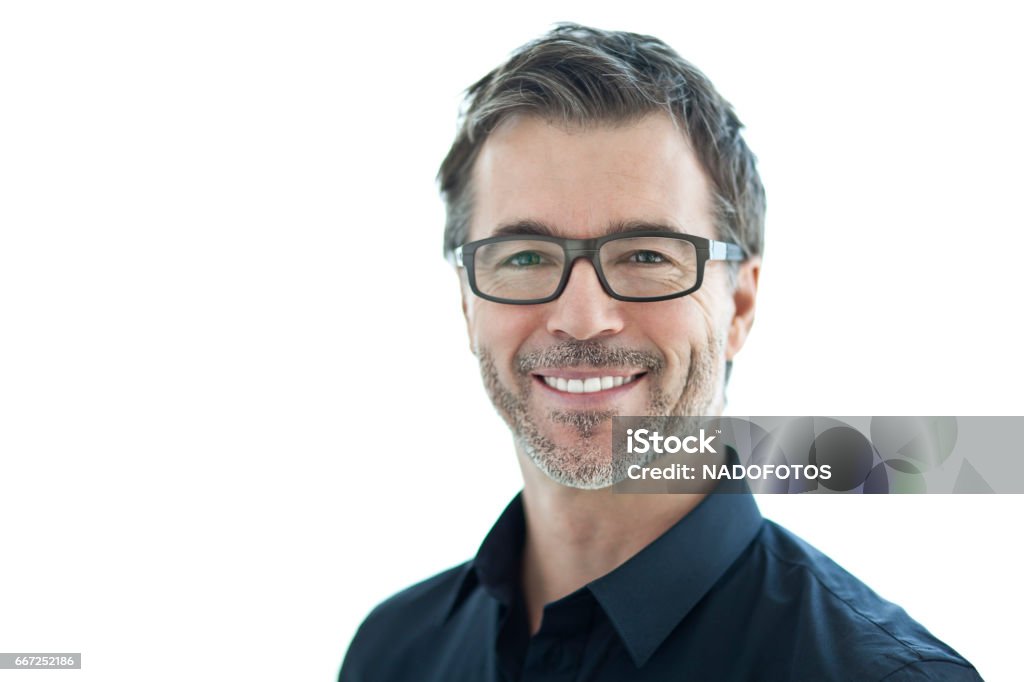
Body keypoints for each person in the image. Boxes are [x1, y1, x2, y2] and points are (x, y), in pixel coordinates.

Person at [339, 24, 981, 681]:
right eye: (525, 257)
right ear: (469, 302)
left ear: (739, 305)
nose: (581, 319)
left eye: (647, 255)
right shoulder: (392, 654)